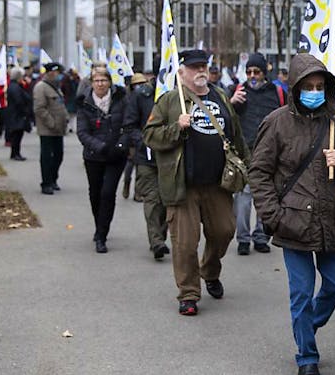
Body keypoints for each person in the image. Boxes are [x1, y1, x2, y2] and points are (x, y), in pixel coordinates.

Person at [250, 53, 335, 375]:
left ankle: (306, 327)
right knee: (301, 293)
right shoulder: (276, 122)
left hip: (331, 218)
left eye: (319, 86)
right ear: (296, 88)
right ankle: (307, 356)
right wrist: (273, 216)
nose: (314, 92)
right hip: (293, 222)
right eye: (308, 86)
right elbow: (258, 172)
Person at [144, 49, 245, 316]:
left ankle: (209, 271)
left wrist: (247, 167)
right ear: (181, 73)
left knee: (224, 232)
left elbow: (236, 135)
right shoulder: (169, 101)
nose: (200, 71)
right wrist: (176, 127)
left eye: (203, 66)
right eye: (194, 67)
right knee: (185, 244)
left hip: (218, 184)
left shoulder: (221, 96)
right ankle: (188, 293)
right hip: (183, 186)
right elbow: (150, 136)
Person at [228, 52, 285, 255]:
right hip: (244, 152)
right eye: (249, 72)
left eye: (256, 72)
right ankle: (243, 238)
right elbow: (223, 118)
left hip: (270, 153)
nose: (252, 76)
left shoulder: (277, 92)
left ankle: (261, 236)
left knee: (266, 196)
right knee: (243, 198)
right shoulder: (238, 91)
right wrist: (231, 103)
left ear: (264, 73)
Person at [75, 66, 128, 253]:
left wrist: (120, 145)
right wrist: (100, 147)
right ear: (91, 83)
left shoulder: (121, 100)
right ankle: (99, 224)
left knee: (108, 193)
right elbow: (82, 132)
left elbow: (128, 124)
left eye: (103, 80)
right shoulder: (84, 103)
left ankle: (101, 235)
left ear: (109, 82)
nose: (100, 84)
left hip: (116, 156)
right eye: (97, 81)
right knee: (95, 194)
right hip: (94, 156)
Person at [123, 72, 169, 259]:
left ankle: (160, 235)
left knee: (166, 201)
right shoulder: (141, 95)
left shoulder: (179, 95)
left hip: (170, 159)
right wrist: (143, 142)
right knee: (152, 198)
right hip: (147, 158)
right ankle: (156, 241)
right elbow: (130, 125)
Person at [33, 62, 69, 195]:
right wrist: (52, 123)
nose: (60, 75)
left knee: (59, 155)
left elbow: (60, 105)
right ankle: (46, 183)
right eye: (58, 73)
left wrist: (65, 118)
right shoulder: (41, 87)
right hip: (47, 129)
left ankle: (53, 179)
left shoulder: (56, 87)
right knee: (47, 157)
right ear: (51, 73)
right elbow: (39, 108)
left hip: (59, 129)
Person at [5, 67, 33, 161]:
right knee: (17, 135)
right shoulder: (15, 87)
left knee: (17, 135)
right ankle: (16, 153)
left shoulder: (15, 86)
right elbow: (19, 101)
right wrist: (25, 111)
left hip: (15, 114)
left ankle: (15, 153)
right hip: (17, 114)